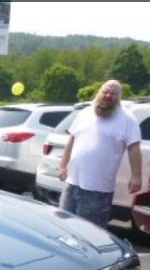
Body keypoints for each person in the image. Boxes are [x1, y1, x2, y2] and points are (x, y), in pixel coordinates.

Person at [58, 79, 142, 228]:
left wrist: (136, 176)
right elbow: (72, 140)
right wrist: (63, 165)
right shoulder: (85, 113)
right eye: (105, 92)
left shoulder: (128, 120)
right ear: (99, 93)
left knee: (90, 233)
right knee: (65, 228)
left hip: (98, 189)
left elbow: (134, 149)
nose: (108, 95)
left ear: (119, 98)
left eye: (113, 94)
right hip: (72, 183)